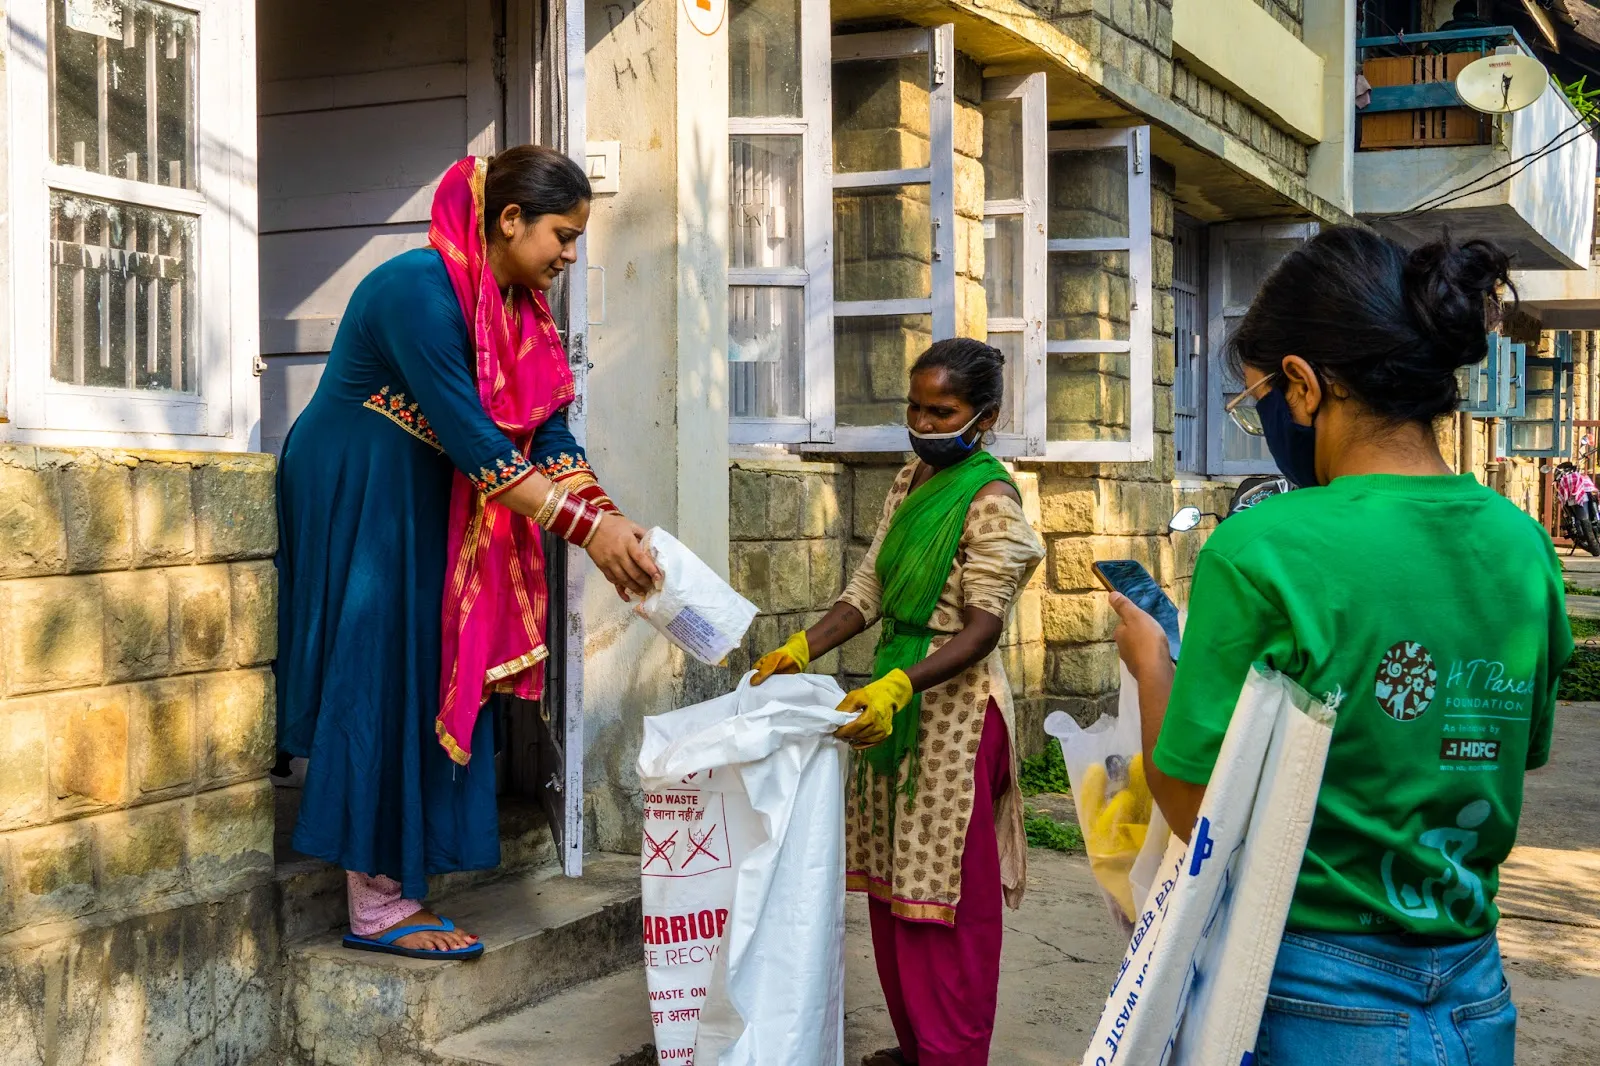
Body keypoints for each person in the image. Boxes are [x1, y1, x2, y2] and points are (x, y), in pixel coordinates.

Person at [1108, 227, 1570, 1065]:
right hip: (1473, 994)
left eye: (1260, 404)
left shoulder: (1266, 546)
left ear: (1304, 384)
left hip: (1307, 991)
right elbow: (1518, 750)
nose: (1268, 427)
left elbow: (1194, 810)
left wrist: (1151, 668)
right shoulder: (1523, 544)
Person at [274, 147, 660, 959]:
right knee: (383, 670)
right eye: (562, 234)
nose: (569, 254)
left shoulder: (524, 311)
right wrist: (588, 533)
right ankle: (375, 906)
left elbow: (548, 436)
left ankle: (401, 882)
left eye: (577, 238)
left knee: (431, 668)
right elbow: (481, 445)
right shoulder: (418, 289)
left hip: (439, 490)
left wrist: (611, 520)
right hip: (364, 483)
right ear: (509, 219)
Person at [750, 339, 1045, 1066]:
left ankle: (952, 1052)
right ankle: (917, 1046)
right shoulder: (908, 479)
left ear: (986, 417)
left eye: (941, 410)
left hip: (954, 712)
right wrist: (801, 647)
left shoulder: (993, 501)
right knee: (892, 888)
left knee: (943, 899)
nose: (922, 421)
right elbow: (868, 590)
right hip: (893, 702)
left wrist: (898, 685)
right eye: (914, 407)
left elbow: (983, 626)